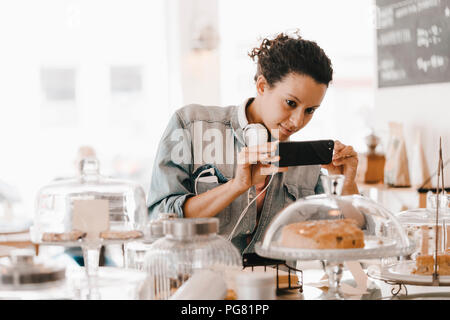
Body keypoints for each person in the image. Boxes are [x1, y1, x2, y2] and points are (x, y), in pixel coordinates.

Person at [147, 31, 359, 255]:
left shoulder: (308, 162)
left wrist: (345, 184)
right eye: (290, 103)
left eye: (310, 111)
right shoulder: (191, 125)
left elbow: (351, 237)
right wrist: (236, 186)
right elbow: (159, 223)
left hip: (279, 288)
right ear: (261, 86)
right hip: (199, 286)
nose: (298, 121)